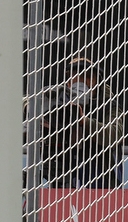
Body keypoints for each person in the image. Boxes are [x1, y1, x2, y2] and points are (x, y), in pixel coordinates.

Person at [42, 57, 123, 188]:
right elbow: (27, 103)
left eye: (88, 76)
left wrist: (83, 120)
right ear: (68, 82)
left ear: (97, 80)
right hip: (64, 175)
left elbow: (115, 133)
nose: (82, 82)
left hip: (102, 179)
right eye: (76, 77)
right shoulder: (59, 99)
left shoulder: (109, 104)